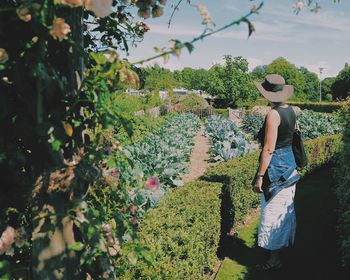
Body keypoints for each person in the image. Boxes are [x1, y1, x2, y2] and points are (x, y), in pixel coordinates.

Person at [252, 74, 301, 271]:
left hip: (277, 169)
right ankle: (278, 252)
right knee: (283, 209)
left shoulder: (273, 114)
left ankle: (274, 259)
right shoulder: (290, 110)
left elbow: (269, 149)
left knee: (272, 211)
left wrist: (260, 176)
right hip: (290, 166)